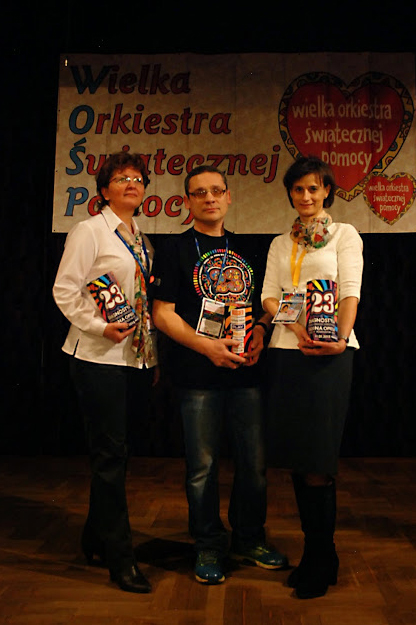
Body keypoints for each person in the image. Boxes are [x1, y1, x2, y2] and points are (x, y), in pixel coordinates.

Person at [151, 164, 287, 584]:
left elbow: (267, 303)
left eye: (216, 191)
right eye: (199, 192)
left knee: (254, 465)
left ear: (229, 197)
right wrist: (206, 347)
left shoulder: (250, 247)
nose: (209, 198)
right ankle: (208, 544)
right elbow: (161, 314)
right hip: (197, 375)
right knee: (202, 468)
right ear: (187, 201)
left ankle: (249, 538)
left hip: (247, 373)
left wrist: (261, 331)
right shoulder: (173, 249)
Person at [53, 151, 158, 594]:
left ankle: (95, 538)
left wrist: (149, 356)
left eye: (138, 178)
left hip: (132, 359)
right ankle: (121, 559)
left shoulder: (140, 238)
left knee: (115, 455)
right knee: (110, 456)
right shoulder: (89, 231)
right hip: (97, 357)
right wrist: (99, 327)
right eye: (121, 178)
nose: (131, 184)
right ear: (103, 190)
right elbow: (65, 290)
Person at [261, 155, 363, 599]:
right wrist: (295, 325)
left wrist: (338, 337)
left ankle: (321, 558)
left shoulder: (345, 235)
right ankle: (318, 554)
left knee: (319, 462)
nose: (306, 196)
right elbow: (269, 296)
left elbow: (350, 292)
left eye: (314, 188)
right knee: (300, 461)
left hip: (330, 356)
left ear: (327, 192)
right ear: (290, 193)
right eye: (299, 189)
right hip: (288, 352)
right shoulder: (280, 243)